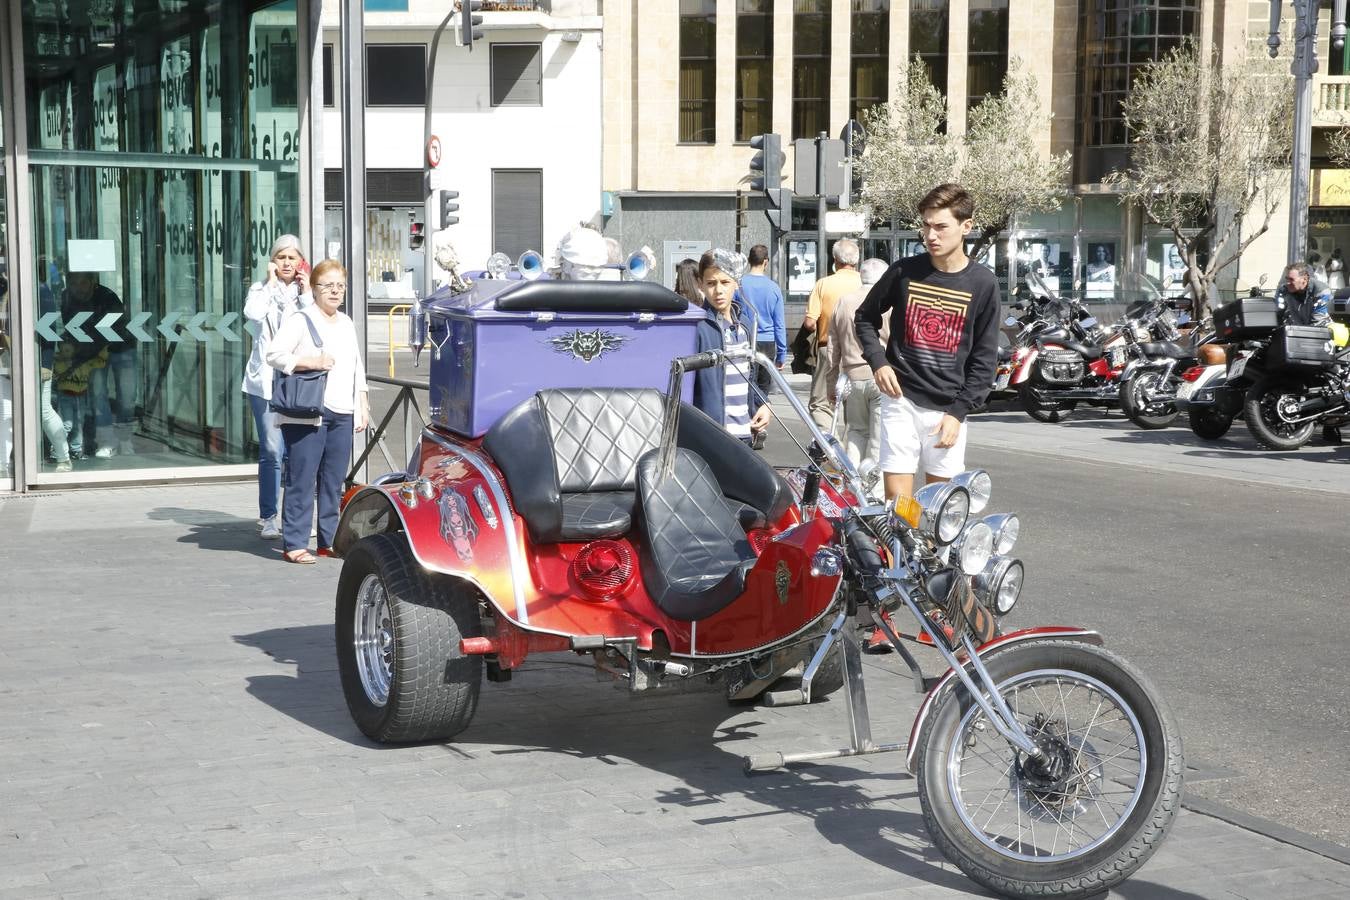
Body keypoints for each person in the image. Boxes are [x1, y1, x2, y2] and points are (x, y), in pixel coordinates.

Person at [855, 183, 999, 503]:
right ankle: (899, 555)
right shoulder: (904, 271)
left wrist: (958, 412)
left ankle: (930, 555)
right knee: (898, 504)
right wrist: (878, 362)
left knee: (940, 506)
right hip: (900, 399)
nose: (931, 235)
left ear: (966, 227)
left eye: (940, 227)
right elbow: (865, 317)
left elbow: (985, 358)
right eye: (926, 225)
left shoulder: (983, 283)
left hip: (947, 408)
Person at [266, 258, 368, 564]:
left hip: (342, 411)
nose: (335, 292)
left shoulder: (347, 322)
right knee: (302, 477)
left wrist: (361, 403)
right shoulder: (301, 319)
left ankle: (329, 540)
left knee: (334, 480)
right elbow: (274, 354)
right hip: (309, 411)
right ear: (314, 288)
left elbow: (356, 366)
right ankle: (295, 542)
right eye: (328, 286)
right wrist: (311, 361)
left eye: (340, 286)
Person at [243, 235, 312, 540]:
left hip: (297, 382)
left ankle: (294, 517)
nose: (286, 263)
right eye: (281, 257)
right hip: (265, 383)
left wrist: (308, 290)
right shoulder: (261, 290)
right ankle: (269, 516)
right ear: (272, 262)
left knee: (297, 454)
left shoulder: (305, 294)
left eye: (292, 258)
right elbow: (253, 314)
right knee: (272, 450)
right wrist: (270, 285)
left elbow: (317, 322)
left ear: (300, 262)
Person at [692, 249, 771, 446]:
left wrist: (762, 404)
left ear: (736, 282)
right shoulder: (697, 326)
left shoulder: (744, 323)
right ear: (700, 283)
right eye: (711, 283)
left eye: (725, 282)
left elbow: (751, 375)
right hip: (713, 434)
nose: (718, 290)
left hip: (744, 431)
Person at [825, 258, 891, 466]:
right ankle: (876, 490)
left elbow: (833, 347)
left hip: (852, 376)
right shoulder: (889, 303)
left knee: (855, 431)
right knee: (879, 436)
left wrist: (831, 382)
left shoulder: (844, 301)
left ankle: (853, 485)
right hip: (883, 376)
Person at [61, 272, 130, 459]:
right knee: (98, 395)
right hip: (92, 353)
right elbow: (69, 328)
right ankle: (108, 441)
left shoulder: (107, 297)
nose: (78, 288)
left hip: (120, 349)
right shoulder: (66, 297)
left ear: (93, 283)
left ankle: (125, 439)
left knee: (127, 396)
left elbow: (116, 327)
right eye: (74, 283)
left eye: (83, 282)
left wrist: (91, 352)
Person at [804, 239, 862, 427]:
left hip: (827, 348)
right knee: (855, 404)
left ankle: (830, 446)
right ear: (857, 261)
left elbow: (810, 323)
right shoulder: (865, 283)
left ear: (835, 259)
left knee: (821, 403)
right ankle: (853, 445)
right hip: (860, 350)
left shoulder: (824, 284)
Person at [736, 243, 787, 412]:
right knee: (763, 387)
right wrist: (782, 353)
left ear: (749, 260)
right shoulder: (773, 288)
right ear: (766, 262)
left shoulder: (739, 285)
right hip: (767, 342)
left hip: (745, 339)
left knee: (745, 384)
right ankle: (760, 420)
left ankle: (747, 420)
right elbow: (779, 324)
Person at [1277, 262, 1332, 328]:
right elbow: (1278, 314)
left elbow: (1319, 323)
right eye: (1287, 278)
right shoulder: (1284, 290)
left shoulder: (1321, 292)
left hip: (1321, 331)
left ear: (1305, 279)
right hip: (1296, 330)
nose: (1288, 283)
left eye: (1291, 279)